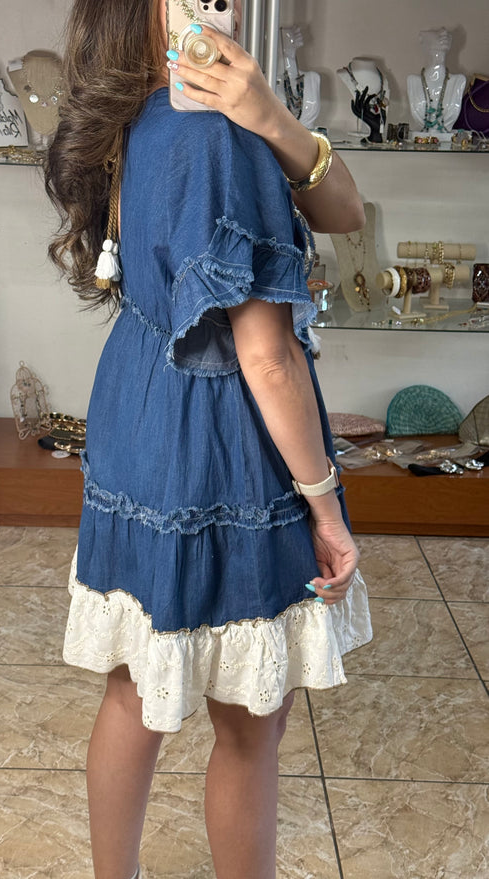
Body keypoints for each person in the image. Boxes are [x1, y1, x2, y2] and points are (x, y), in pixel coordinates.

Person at [45, 2, 372, 877]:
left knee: (132, 685)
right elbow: (266, 357)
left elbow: (345, 210)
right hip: (220, 428)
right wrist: (324, 505)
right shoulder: (219, 134)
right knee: (250, 719)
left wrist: (272, 116)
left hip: (138, 399)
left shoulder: (137, 108)